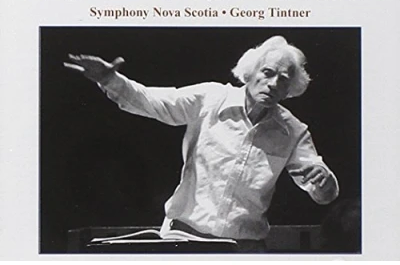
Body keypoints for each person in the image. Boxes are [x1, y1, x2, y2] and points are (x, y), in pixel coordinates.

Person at [64, 35, 339, 252]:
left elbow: (321, 189)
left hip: (244, 249)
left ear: (290, 89)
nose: (273, 83)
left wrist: (325, 183)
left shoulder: (293, 131)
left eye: (283, 79)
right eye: (267, 73)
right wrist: (109, 79)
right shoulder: (211, 98)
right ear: (250, 72)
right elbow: (153, 102)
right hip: (184, 238)